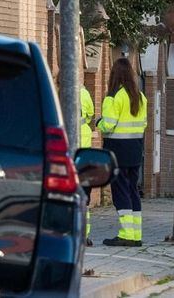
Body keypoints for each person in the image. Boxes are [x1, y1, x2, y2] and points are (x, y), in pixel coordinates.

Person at [98, 58, 148, 247]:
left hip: (117, 151)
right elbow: (143, 124)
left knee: (120, 191)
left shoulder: (113, 97)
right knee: (133, 190)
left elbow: (108, 125)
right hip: (135, 149)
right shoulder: (140, 97)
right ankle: (136, 234)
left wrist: (98, 123)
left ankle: (126, 234)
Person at [80, 85, 95, 246]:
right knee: (84, 195)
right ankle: (84, 234)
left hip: (69, 152)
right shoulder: (84, 93)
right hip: (84, 150)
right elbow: (90, 115)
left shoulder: (60, 93)